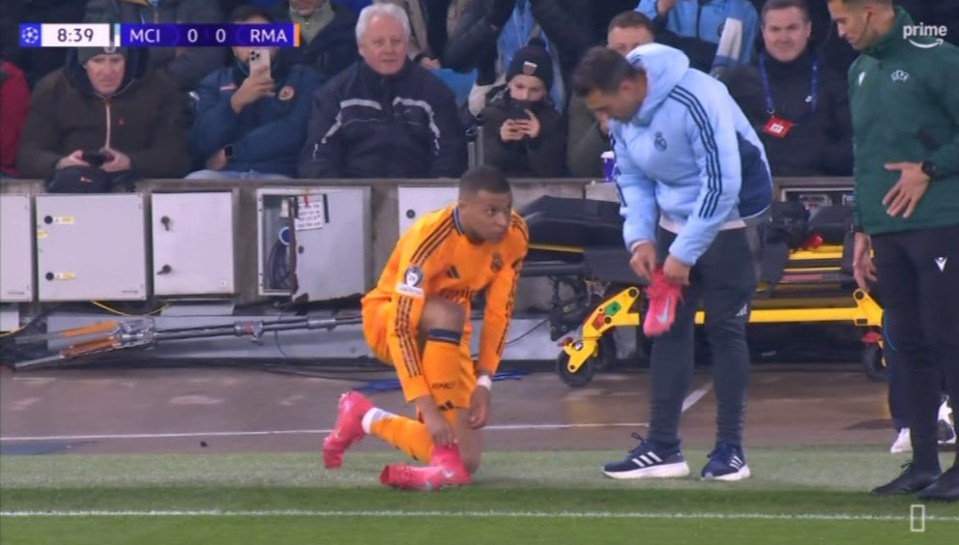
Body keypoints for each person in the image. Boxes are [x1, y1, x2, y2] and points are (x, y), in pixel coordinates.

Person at [572, 43, 772, 481]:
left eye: (606, 109)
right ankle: (663, 447)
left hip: (735, 215)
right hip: (675, 216)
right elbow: (632, 179)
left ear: (627, 86)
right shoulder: (622, 114)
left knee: (725, 329)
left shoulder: (697, 98)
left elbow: (723, 184)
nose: (605, 121)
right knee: (667, 330)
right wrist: (640, 239)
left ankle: (730, 451)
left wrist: (684, 253)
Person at [321, 165, 529, 491]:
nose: (502, 221)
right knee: (447, 314)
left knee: (467, 462)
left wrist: (484, 381)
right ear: (464, 208)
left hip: (448, 336)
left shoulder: (515, 235)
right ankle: (441, 458)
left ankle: (362, 416)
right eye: (491, 211)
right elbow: (402, 326)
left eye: (507, 208)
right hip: (387, 320)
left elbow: (499, 312)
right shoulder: (431, 238)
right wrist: (428, 409)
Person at [827, 0, 959, 501]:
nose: (838, 32)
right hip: (888, 229)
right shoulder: (861, 71)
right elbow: (866, 154)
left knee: (951, 339)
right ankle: (924, 462)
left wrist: (929, 168)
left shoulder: (939, 58)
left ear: (873, 10)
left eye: (843, 20)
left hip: (943, 223)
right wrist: (862, 227)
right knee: (908, 342)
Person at [297, 3, 466, 179]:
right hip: (353, 194)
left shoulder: (435, 93)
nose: (388, 50)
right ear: (361, 47)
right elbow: (317, 158)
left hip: (418, 197)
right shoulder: (335, 94)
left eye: (396, 41)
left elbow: (450, 157)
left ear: (406, 44)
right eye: (379, 42)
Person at [187, 6, 324, 180]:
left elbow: (294, 133)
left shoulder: (304, 79)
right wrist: (234, 104)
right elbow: (200, 143)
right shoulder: (214, 82)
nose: (255, 44)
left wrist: (232, 151)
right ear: (234, 48)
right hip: (224, 174)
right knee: (196, 181)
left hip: (279, 173)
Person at [721, 0, 852, 177]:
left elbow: (852, 143)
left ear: (808, 29)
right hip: (755, 187)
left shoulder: (834, 82)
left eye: (792, 28)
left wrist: (817, 155)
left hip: (819, 187)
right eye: (775, 29)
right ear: (764, 32)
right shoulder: (735, 82)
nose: (784, 38)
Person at [481, 43, 566, 177]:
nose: (525, 96)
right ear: (509, 84)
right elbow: (481, 168)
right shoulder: (491, 114)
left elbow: (553, 172)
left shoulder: (553, 121)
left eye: (534, 90)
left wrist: (536, 142)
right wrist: (502, 142)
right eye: (519, 87)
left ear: (545, 92)